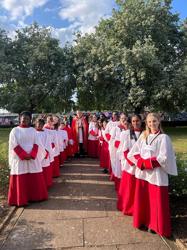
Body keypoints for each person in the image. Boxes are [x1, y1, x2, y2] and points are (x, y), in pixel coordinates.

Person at [127, 113, 178, 237]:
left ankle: (156, 225)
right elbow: (133, 153)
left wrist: (146, 163)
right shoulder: (144, 136)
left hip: (156, 175)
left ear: (159, 122)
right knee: (144, 200)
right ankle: (143, 221)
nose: (152, 124)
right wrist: (140, 163)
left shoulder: (164, 138)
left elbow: (164, 158)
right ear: (146, 123)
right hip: (143, 174)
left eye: (154, 121)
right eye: (149, 122)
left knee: (156, 201)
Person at [8, 111, 48, 206]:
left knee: (34, 176)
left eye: (26, 118)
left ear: (30, 120)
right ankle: (21, 200)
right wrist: (23, 155)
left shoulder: (33, 130)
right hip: (19, 158)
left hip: (32, 158)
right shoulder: (14, 130)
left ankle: (35, 197)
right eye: (23, 118)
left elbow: (37, 143)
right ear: (20, 119)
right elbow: (13, 144)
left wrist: (32, 154)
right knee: (20, 177)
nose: (24, 119)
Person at [117, 114, 142, 215]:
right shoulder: (126, 134)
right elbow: (125, 150)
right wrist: (133, 162)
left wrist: (141, 162)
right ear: (131, 122)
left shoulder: (145, 133)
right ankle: (128, 208)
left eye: (137, 121)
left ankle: (138, 208)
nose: (136, 123)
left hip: (141, 165)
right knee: (130, 188)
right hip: (130, 165)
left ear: (141, 121)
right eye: (133, 121)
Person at [110, 113, 128, 191]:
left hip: (127, 152)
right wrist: (120, 145)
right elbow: (111, 140)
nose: (123, 120)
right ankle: (119, 187)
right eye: (122, 118)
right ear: (119, 119)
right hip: (118, 151)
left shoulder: (129, 129)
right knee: (119, 169)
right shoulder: (116, 128)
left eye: (125, 118)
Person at [35, 118, 53, 188]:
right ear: (35, 124)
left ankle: (46, 184)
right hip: (36, 154)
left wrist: (46, 152)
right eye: (38, 124)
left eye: (41, 124)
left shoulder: (46, 134)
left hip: (45, 154)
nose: (39, 125)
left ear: (43, 125)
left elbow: (48, 145)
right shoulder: (33, 133)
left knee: (44, 169)